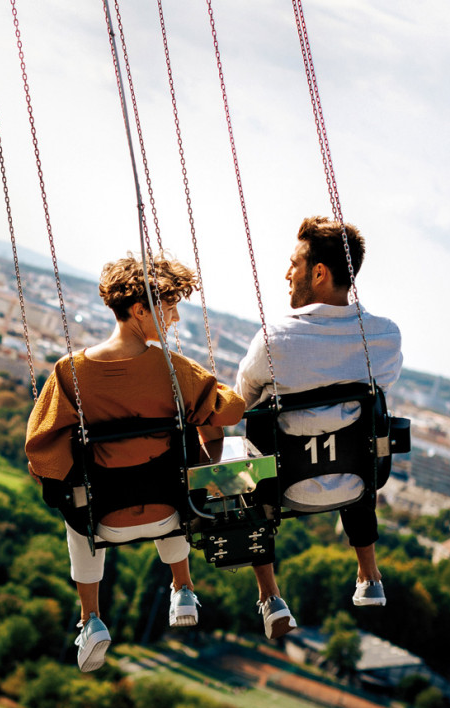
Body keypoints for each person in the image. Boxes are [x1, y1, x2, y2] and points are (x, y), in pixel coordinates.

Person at [26, 253, 246, 672]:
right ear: (141, 310)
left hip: (103, 519)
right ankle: (182, 586)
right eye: (170, 306)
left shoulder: (69, 373)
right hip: (169, 514)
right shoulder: (176, 369)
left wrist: (61, 479)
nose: (177, 318)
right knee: (179, 468)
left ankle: (91, 619)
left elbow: (41, 446)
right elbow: (230, 410)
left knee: (75, 516)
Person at [234, 216, 403, 640]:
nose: (286, 273)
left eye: (294, 263)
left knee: (251, 437)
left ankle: (270, 595)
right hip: (354, 483)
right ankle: (368, 573)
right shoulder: (384, 337)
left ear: (320, 273)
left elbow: (242, 399)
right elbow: (382, 384)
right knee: (360, 431)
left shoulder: (275, 339)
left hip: (282, 489)